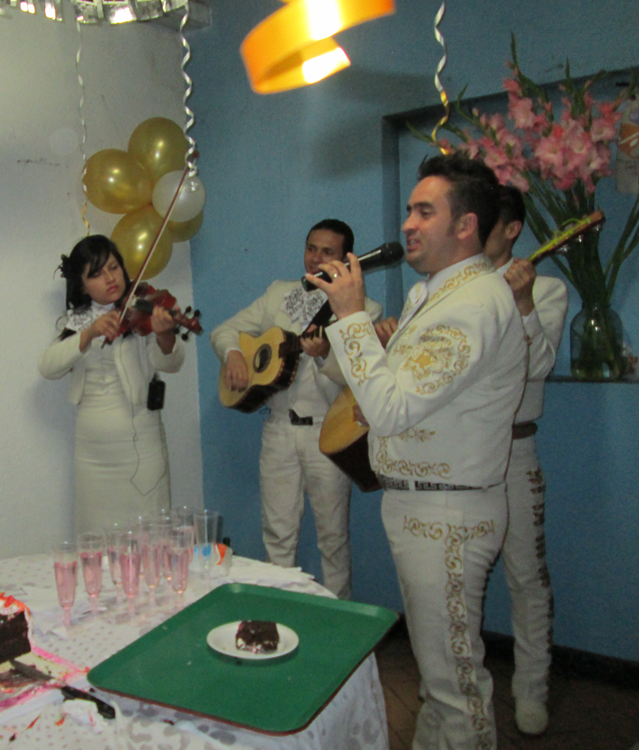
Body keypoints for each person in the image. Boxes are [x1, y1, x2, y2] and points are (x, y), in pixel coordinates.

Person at [311, 155, 527, 750]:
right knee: (439, 682)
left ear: (466, 225)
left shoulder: (475, 304)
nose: (407, 222)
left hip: (447, 519)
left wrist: (352, 317)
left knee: (457, 686)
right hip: (423, 511)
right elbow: (402, 397)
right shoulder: (437, 295)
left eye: (424, 211)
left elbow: (391, 410)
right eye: (408, 209)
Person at [210, 219, 382, 599]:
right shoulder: (279, 294)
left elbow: (357, 380)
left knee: (333, 538)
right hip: (278, 429)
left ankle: (338, 622)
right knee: (277, 533)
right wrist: (235, 354)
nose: (315, 257)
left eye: (327, 251)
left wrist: (322, 358)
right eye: (311, 248)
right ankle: (282, 614)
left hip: (327, 433)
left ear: (346, 259)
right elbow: (222, 331)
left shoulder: (364, 309)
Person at [484, 185, 568, 736]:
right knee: (459, 577)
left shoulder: (549, 287)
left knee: (525, 574)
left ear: (511, 228)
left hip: (514, 449)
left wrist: (522, 303)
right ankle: (456, 681)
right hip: (458, 453)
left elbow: (538, 365)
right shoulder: (450, 289)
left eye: (485, 219)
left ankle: (531, 688)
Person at [38, 235, 184, 534]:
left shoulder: (142, 308)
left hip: (142, 444)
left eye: (114, 267)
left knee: (149, 538)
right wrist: (88, 334)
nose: (110, 278)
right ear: (81, 285)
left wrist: (165, 335)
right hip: (93, 454)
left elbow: (171, 363)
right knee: (98, 539)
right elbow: (48, 367)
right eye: (96, 274)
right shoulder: (78, 322)